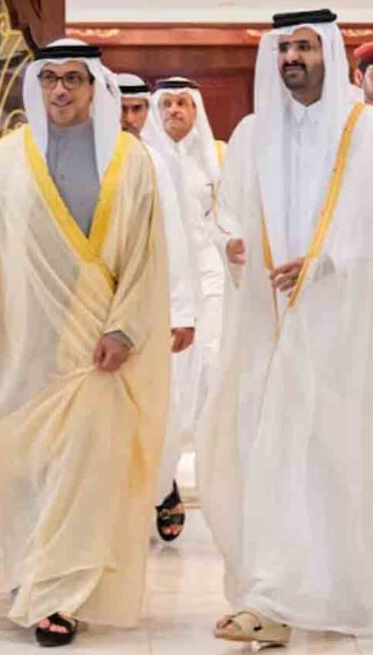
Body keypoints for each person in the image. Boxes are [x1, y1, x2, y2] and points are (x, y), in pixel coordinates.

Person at [199, 9, 373, 644]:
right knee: (267, 455)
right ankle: (270, 594)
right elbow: (227, 216)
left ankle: (334, 589)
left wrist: (328, 263)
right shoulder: (249, 134)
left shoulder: (369, 134)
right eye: (284, 48)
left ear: (328, 52)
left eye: (305, 47)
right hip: (268, 330)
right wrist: (234, 245)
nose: (293, 57)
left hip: (345, 330)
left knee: (333, 462)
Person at [0, 40, 170, 647]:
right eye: (50, 80)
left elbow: (146, 256)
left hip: (97, 350)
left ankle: (59, 598)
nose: (60, 91)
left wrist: (123, 327)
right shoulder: (8, 159)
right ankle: (35, 575)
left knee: (85, 467)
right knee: (25, 468)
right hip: (23, 350)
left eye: (73, 79)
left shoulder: (129, 159)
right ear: (37, 86)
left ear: (95, 88)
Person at [143, 76, 226, 542]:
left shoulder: (216, 159)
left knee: (208, 380)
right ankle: (161, 483)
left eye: (183, 104)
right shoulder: (141, 162)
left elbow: (225, 220)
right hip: (161, 288)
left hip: (210, 282)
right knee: (168, 392)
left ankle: (214, 485)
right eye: (168, 104)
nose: (175, 111)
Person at [116, 72, 198, 541]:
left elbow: (178, 243)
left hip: (155, 309)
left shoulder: (156, 163)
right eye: (122, 109)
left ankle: (161, 487)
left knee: (160, 410)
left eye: (138, 109)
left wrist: (183, 313)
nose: (130, 119)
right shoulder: (101, 159)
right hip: (103, 310)